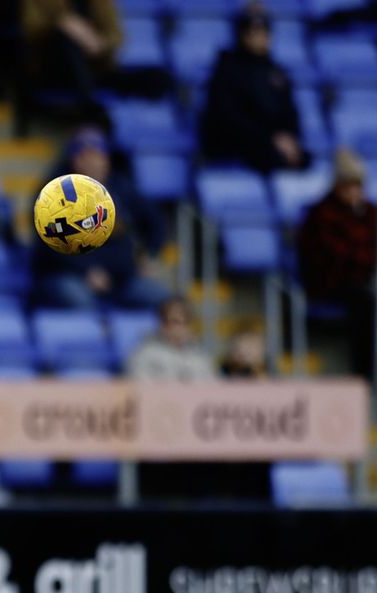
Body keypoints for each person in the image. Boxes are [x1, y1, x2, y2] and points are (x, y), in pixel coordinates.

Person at [30, 127, 170, 310]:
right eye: (88, 157)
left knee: (163, 300)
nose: (96, 163)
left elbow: (155, 221)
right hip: (70, 275)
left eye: (100, 156)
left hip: (121, 277)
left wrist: (151, 254)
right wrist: (85, 271)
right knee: (80, 300)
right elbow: (47, 244)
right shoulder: (55, 194)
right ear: (75, 160)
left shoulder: (120, 187)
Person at [296, 148, 377, 382]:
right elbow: (329, 256)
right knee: (365, 299)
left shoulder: (373, 212)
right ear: (337, 185)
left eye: (359, 185)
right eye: (349, 185)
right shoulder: (320, 214)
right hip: (332, 282)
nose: (355, 191)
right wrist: (373, 263)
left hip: (370, 279)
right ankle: (367, 373)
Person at [199, 3, 305, 173]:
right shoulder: (227, 70)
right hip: (240, 144)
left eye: (263, 32)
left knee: (305, 158)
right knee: (272, 157)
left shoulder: (276, 72)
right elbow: (227, 117)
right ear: (241, 34)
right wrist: (270, 138)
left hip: (273, 143)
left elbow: (290, 112)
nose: (259, 37)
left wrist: (290, 138)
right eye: (253, 32)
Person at [126, 296, 216, 381]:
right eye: (175, 322)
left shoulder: (200, 356)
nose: (180, 328)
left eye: (185, 321)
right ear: (162, 323)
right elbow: (139, 385)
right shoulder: (145, 353)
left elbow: (213, 387)